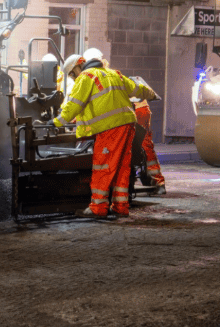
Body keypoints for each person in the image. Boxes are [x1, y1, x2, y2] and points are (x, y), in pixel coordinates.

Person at [48, 53, 156, 219]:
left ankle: (98, 208)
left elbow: (74, 105)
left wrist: (56, 122)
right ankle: (120, 207)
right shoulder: (114, 74)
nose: (74, 78)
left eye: (72, 74)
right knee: (122, 167)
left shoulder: (86, 77)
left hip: (110, 129)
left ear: (77, 68)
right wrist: (151, 94)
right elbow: (136, 89)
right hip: (128, 125)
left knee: (102, 167)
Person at [83, 48, 166, 195]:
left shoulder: (99, 76)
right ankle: (153, 181)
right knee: (140, 145)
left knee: (140, 144)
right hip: (136, 108)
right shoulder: (110, 73)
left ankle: (155, 182)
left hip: (135, 110)